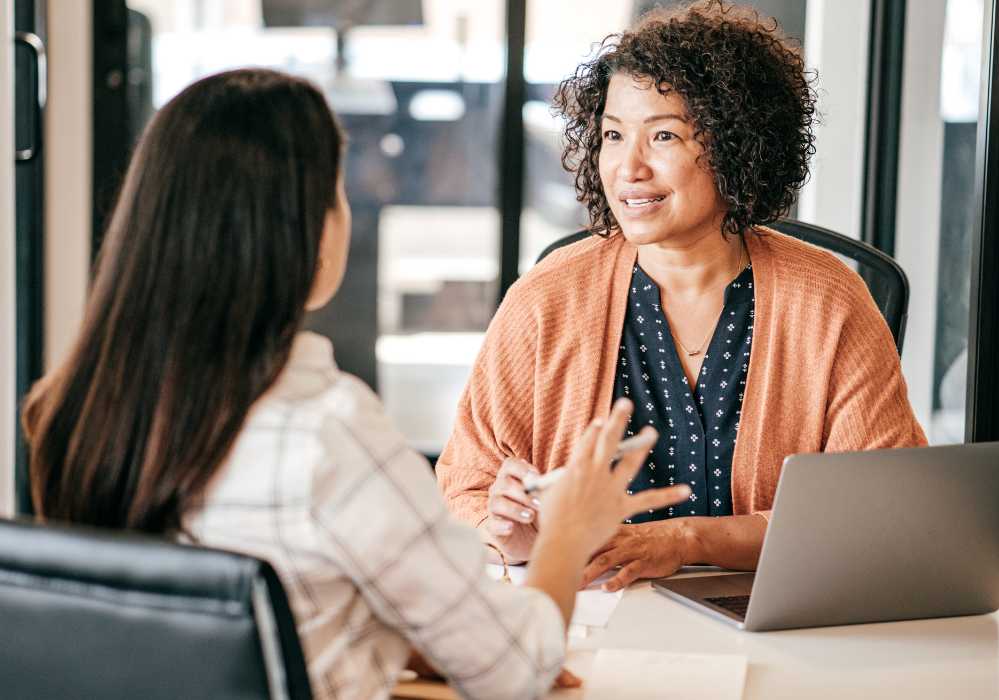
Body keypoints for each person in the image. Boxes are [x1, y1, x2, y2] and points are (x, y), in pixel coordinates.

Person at [21, 69, 691, 700]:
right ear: (305, 234)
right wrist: (566, 536)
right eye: (338, 191)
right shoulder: (327, 432)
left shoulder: (72, 409)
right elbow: (515, 670)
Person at [436, 0, 926, 592]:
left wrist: (692, 540)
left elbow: (876, 508)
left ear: (735, 142)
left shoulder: (828, 299)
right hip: (586, 611)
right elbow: (467, 485)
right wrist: (508, 530)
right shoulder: (547, 297)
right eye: (613, 135)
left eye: (663, 134)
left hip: (768, 616)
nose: (628, 167)